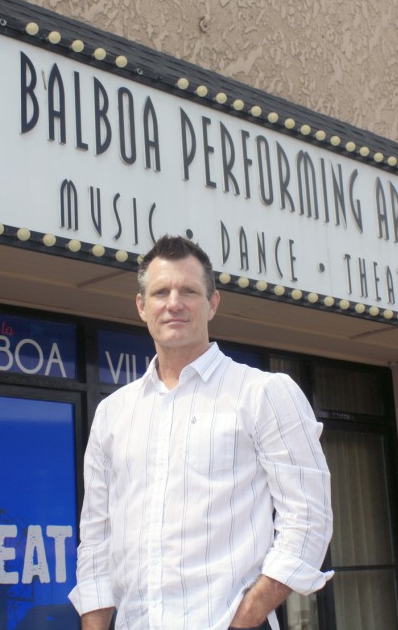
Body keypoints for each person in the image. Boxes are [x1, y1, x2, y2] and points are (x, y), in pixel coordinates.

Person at [68, 235, 333, 630]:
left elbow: (308, 519)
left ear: (212, 303)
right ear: (142, 306)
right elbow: (96, 540)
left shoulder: (262, 394)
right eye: (160, 292)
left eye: (188, 291)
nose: (173, 303)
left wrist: (244, 620)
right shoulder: (113, 413)